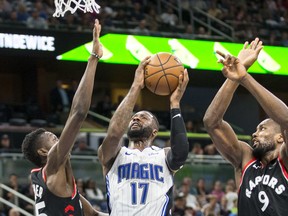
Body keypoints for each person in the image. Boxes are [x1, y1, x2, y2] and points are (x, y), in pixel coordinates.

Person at [21, 19, 107, 216]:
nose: (60, 140)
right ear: (44, 152)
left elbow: (94, 215)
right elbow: (78, 114)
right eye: (54, 139)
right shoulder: (51, 169)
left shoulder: (61, 185)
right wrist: (93, 58)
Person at [203, 37, 288, 215]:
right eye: (256, 130)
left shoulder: (284, 159)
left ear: (280, 136)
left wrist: (245, 78)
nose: (254, 134)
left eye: (262, 129)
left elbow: (286, 119)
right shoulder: (246, 159)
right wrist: (235, 76)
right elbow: (212, 122)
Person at [98, 58, 189, 215]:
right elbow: (113, 134)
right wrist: (136, 86)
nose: (136, 118)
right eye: (134, 117)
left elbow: (181, 154)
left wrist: (175, 104)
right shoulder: (114, 154)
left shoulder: (163, 154)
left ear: (154, 132)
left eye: (144, 117)